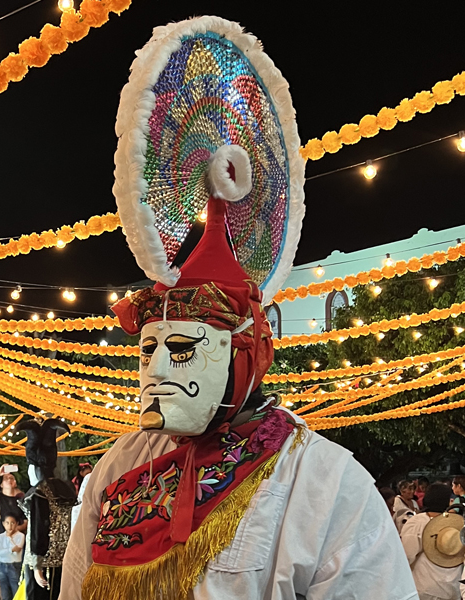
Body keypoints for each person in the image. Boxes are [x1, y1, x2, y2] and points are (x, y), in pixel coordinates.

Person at [60, 16, 416, 600]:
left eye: (181, 348)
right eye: (148, 349)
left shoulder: (324, 487)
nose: (155, 370)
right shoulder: (121, 466)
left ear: (244, 353)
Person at [20, 419, 77, 600]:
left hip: (43, 562)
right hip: (63, 559)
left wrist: (36, 566)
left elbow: (39, 529)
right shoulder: (65, 489)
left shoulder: (40, 493)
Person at [400, 483, 465, 600]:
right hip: (452, 588)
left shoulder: (418, 522)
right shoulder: (457, 524)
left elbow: (407, 555)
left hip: (424, 586)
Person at [0, 465, 27, 600]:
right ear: (1, 484)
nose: (9, 479)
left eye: (12, 478)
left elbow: (26, 520)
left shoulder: (20, 500)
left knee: (15, 578)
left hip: (15, 546)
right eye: (6, 478)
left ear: (15, 482)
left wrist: (15, 530)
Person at [0, 515, 26, 600]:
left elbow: (18, 551)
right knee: (4, 592)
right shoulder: (0, 537)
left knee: (16, 590)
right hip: (2, 566)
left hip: (15, 566)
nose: (10, 526)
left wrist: (9, 538)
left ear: (16, 524)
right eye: (7, 523)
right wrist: (11, 550)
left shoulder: (21, 536)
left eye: (12, 523)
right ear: (3, 524)